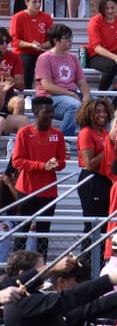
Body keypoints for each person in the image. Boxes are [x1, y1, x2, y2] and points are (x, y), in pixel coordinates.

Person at [10, 96, 64, 254]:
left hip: (48, 191)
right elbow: (17, 161)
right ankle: (17, 268)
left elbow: (62, 162)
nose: (50, 116)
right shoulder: (24, 133)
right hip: (26, 189)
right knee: (22, 232)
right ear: (35, 112)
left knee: (43, 233)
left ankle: (41, 268)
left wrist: (56, 164)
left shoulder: (58, 134)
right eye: (46, 112)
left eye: (52, 112)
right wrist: (43, 166)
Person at [35, 23, 90, 137]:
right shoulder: (44, 58)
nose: (70, 41)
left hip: (71, 94)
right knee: (74, 106)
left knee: (101, 105)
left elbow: (82, 82)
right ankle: (65, 141)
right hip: (49, 97)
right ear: (56, 40)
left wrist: (86, 96)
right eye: (66, 38)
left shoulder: (73, 57)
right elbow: (47, 86)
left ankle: (101, 141)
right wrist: (70, 94)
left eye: (71, 37)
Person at [74, 97, 116, 220]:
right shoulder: (86, 132)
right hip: (91, 180)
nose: (102, 114)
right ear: (89, 114)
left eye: (104, 111)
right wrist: (110, 148)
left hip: (104, 179)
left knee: (104, 223)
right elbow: (89, 164)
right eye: (97, 112)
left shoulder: (105, 133)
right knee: (93, 224)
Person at [10, 0, 52, 90]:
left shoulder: (46, 17)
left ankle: (46, 91)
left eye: (40, 1)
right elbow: (14, 41)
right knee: (27, 62)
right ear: (26, 2)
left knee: (50, 60)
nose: (38, 5)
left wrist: (41, 46)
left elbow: (52, 39)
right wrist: (31, 45)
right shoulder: (18, 17)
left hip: (41, 51)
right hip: (23, 51)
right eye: (34, 2)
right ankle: (27, 93)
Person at [86, 0, 117, 89]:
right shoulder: (95, 21)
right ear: (102, 8)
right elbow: (97, 48)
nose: (110, 11)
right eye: (106, 8)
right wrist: (116, 58)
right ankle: (100, 95)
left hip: (114, 55)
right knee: (112, 66)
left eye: (112, 8)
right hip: (95, 56)